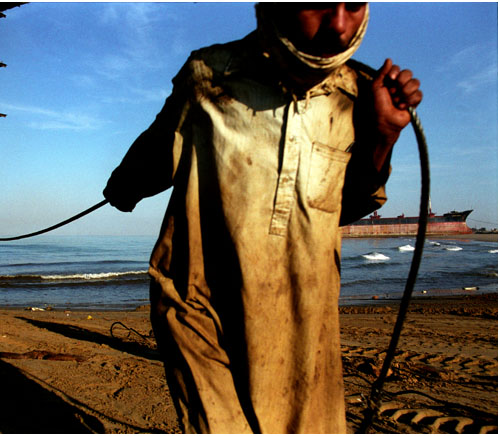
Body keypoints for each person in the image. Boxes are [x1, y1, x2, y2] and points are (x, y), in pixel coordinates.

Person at [103, 3, 422, 433]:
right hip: (201, 315)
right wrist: (122, 190)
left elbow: (343, 207)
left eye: (355, 5)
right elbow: (156, 153)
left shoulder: (359, 97)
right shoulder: (210, 77)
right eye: (319, 5)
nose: (340, 28)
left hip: (305, 334)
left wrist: (384, 136)